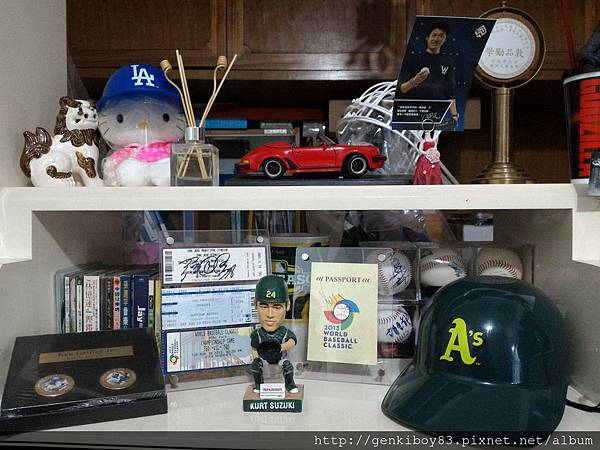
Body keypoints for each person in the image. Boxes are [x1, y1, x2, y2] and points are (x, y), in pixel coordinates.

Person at [399, 22, 459, 126]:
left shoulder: (447, 61)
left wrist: (454, 116)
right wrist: (414, 81)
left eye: (441, 36)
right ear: (427, 37)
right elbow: (402, 89)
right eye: (434, 35)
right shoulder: (413, 60)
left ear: (445, 39)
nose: (436, 39)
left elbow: (449, 91)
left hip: (435, 113)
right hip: (415, 112)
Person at [250, 275, 298, 394]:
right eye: (264, 306)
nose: (270, 314)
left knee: (287, 365)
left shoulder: (283, 332)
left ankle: (290, 384)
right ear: (255, 305)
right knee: (256, 365)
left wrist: (280, 347)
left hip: (280, 359)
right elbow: (254, 348)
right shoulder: (258, 334)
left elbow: (292, 341)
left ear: (287, 306)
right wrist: (256, 359)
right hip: (264, 361)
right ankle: (258, 385)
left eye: (277, 307)